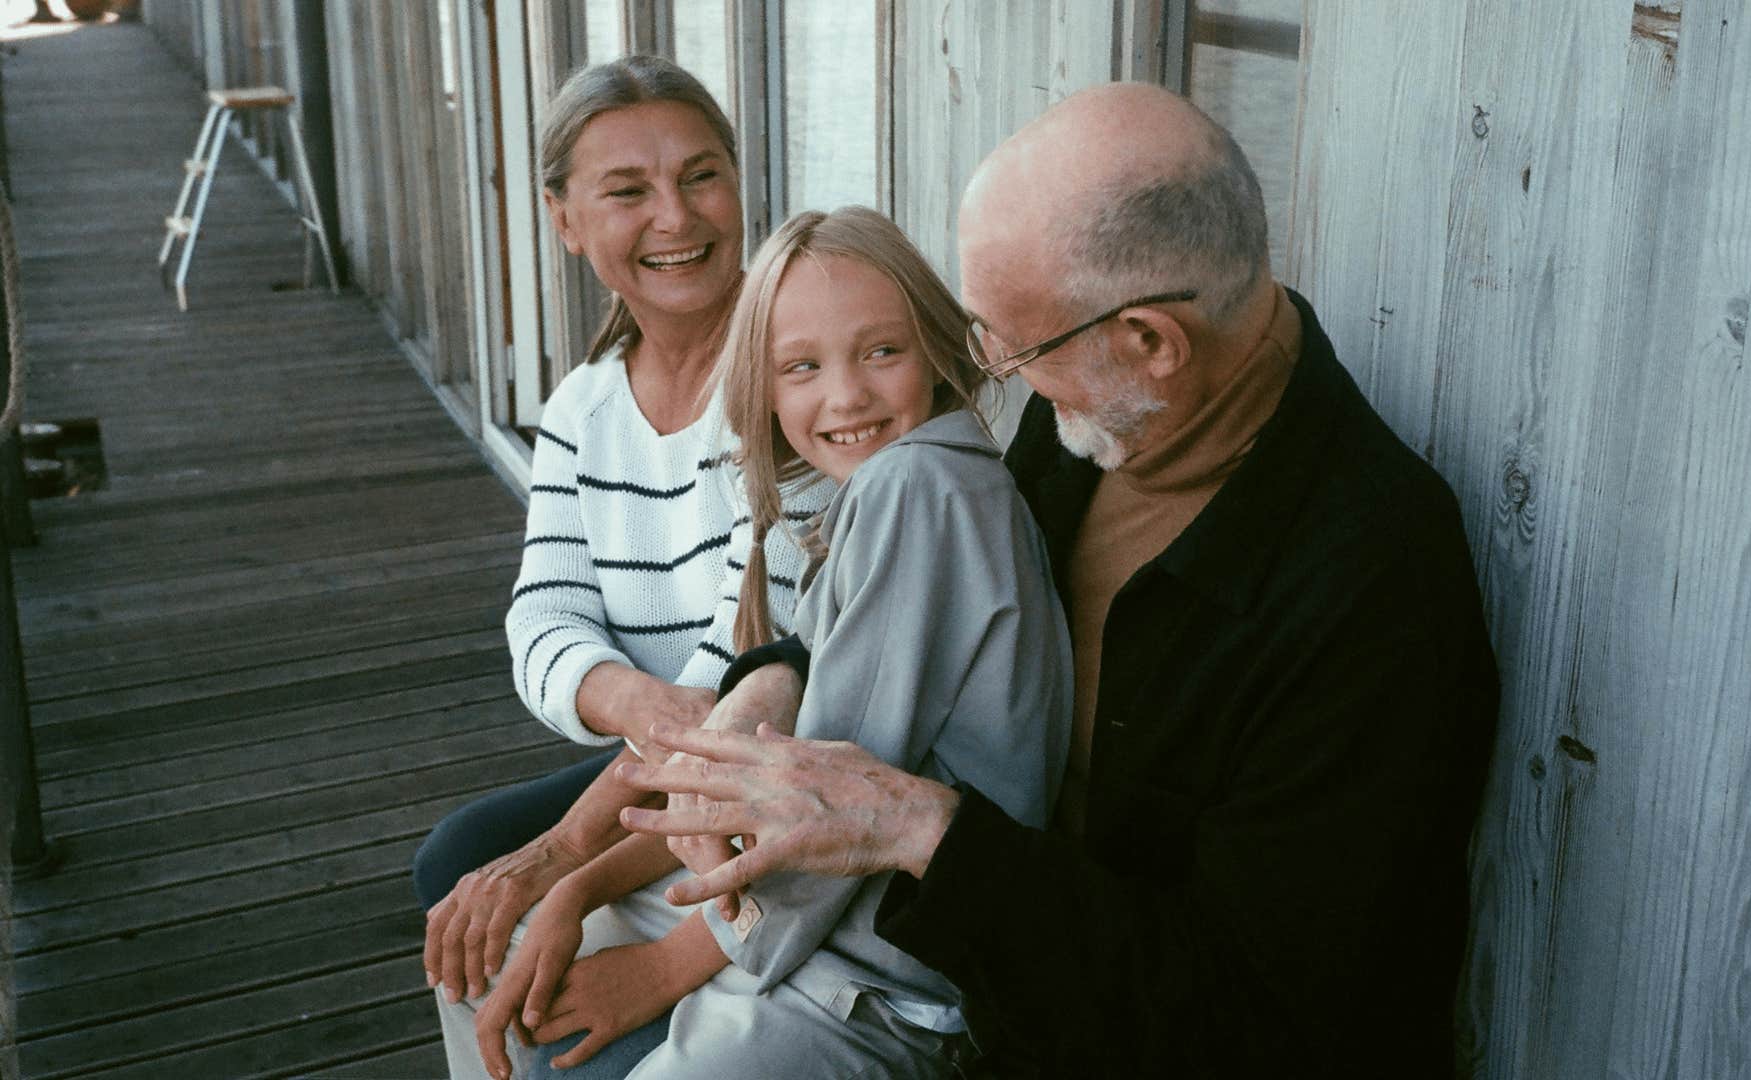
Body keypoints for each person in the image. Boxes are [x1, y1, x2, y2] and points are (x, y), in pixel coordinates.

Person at [618, 82, 1501, 1077]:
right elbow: (931, 616)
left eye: (1014, 343)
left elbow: (1254, 1022)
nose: (990, 370)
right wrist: (775, 675)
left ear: (1150, 342)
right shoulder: (1095, 419)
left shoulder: (1372, 588)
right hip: (936, 960)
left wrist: (926, 833)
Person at [441, 206, 1072, 1078]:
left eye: (882, 351)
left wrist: (656, 972)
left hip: (872, 977)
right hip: (795, 921)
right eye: (802, 367)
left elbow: (822, 821)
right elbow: (753, 773)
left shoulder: (920, 490)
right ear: (765, 391)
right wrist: (577, 883)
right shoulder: (882, 489)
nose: (845, 395)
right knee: (494, 951)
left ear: (937, 345)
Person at [412, 55, 818, 1074]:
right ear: (565, 220)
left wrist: (562, 859)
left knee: (511, 883)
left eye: (701, 175)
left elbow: (737, 679)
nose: (676, 219)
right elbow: (543, 621)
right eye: (627, 191)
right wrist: (634, 702)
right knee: (457, 861)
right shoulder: (583, 406)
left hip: (780, 761)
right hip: (667, 761)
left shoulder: (802, 384)